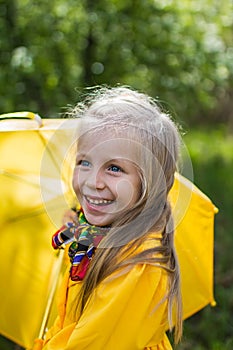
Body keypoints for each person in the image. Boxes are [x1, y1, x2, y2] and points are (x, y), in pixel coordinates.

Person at [42, 86, 183, 350]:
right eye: (84, 162)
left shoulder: (137, 264)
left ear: (149, 183)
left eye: (114, 168)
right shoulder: (93, 238)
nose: (92, 182)